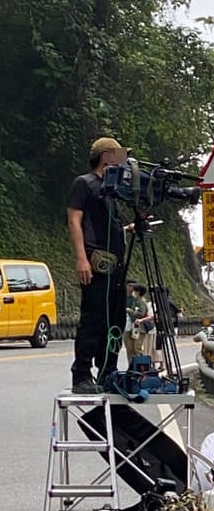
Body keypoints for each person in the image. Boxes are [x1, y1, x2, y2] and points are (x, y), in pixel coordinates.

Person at [67, 136, 129, 393]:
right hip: (96, 262)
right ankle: (81, 374)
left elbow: (109, 226)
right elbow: (74, 220)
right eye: (119, 156)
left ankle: (107, 372)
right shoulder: (85, 183)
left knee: (115, 320)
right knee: (92, 319)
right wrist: (82, 258)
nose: (123, 161)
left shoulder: (113, 191)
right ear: (106, 157)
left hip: (116, 266)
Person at [123, 283, 147, 364]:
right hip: (132, 326)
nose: (133, 292)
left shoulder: (141, 302)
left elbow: (141, 314)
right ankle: (131, 366)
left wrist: (130, 311)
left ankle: (142, 366)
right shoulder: (135, 301)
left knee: (137, 348)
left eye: (135, 290)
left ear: (138, 292)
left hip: (139, 327)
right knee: (130, 348)